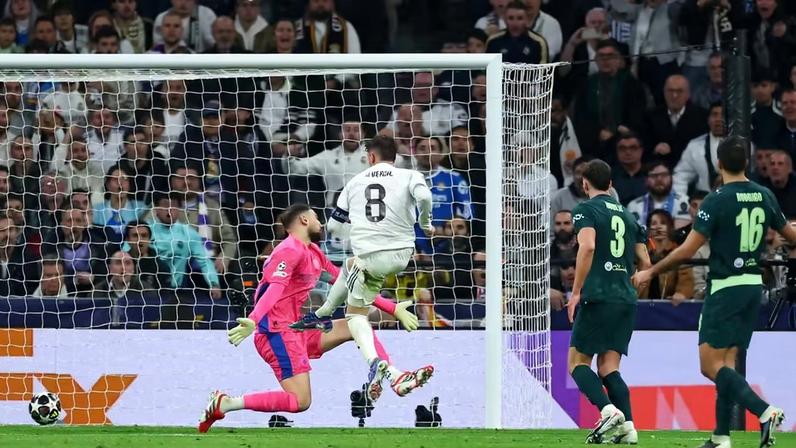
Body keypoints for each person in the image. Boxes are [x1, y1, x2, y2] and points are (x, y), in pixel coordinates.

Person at [198, 203, 422, 432]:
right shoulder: (288, 250)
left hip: (297, 329)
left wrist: (392, 309)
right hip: (276, 333)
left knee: (356, 324)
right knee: (300, 401)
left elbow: (350, 285)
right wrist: (254, 319)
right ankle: (226, 403)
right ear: (304, 220)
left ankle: (392, 375)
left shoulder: (313, 253)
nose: (321, 223)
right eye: (316, 218)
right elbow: (273, 288)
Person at [633, 136, 796, 448]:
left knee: (710, 365)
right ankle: (721, 437)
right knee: (728, 363)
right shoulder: (764, 195)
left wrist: (651, 271)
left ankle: (764, 411)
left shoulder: (717, 199)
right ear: (747, 163)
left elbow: (686, 251)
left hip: (725, 287)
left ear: (718, 164)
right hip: (753, 285)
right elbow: (790, 236)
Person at [290, 136, 435, 402]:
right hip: (403, 254)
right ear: (396, 157)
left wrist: (357, 229)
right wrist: (425, 222)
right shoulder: (410, 174)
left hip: (371, 257)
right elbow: (425, 197)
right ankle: (324, 314)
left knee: (355, 316)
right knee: (350, 267)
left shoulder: (355, 183)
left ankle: (375, 363)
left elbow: (333, 226)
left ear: (370, 157)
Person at [568, 159, 650, 444]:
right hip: (625, 298)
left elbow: (588, 245)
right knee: (609, 368)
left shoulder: (585, 210)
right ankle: (628, 428)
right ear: (611, 184)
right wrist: (633, 281)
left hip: (599, 294)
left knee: (577, 363)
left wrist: (576, 291)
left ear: (585, 184)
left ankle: (607, 410)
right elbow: (645, 263)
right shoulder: (629, 216)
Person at [627, 160, 691, 229]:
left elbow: (681, 233)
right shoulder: (634, 205)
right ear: (646, 180)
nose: (659, 179)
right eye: (654, 176)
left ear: (671, 178)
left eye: (664, 175)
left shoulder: (683, 201)